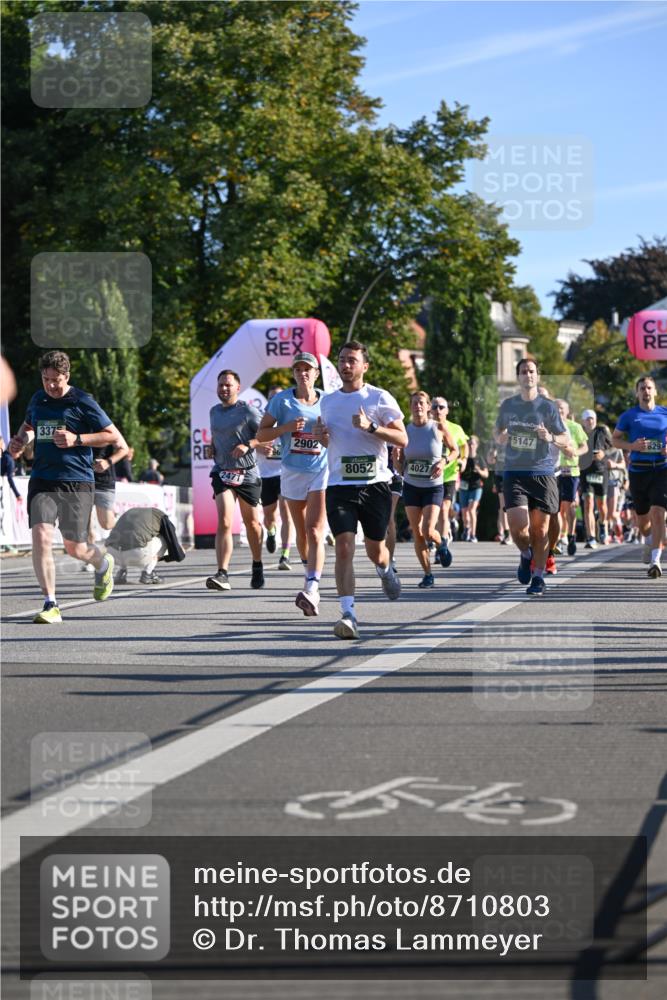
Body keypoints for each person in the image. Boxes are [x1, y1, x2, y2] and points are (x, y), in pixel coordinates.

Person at [8, 350, 118, 622]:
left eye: (56, 380)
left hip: (76, 480)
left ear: (66, 376)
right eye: (46, 379)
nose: (51, 385)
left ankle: (102, 563)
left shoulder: (82, 401)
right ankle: (50, 603)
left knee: (75, 547)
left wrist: (77, 439)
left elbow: (111, 436)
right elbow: (28, 425)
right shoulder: (38, 399)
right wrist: (20, 441)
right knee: (41, 536)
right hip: (43, 478)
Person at [314, 341, 407, 639]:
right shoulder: (327, 401)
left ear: (365, 366)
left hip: (374, 485)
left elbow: (402, 439)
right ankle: (348, 614)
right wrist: (321, 436)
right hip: (339, 484)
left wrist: (371, 427)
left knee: (375, 550)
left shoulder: (379, 397)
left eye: (352, 360)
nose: (345, 365)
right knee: (343, 546)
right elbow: (329, 442)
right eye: (342, 359)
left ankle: (386, 569)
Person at [258, 353, 329, 616]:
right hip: (291, 471)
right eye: (298, 369)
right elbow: (261, 433)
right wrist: (285, 428)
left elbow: (339, 433)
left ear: (316, 373)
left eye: (308, 369)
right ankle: (309, 570)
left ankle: (312, 587)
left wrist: (326, 435)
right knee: (301, 532)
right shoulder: (282, 400)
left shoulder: (328, 401)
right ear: (294, 374)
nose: (303, 373)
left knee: (314, 530)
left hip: (320, 470)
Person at [494, 358, 571, 596]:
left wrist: (550, 438)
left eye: (531, 371)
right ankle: (526, 554)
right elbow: (497, 432)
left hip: (542, 472)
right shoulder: (508, 405)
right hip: (515, 472)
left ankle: (538, 577)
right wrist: (501, 437)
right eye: (523, 371)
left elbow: (566, 438)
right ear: (518, 377)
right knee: (518, 528)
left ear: (537, 376)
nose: (527, 375)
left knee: (540, 530)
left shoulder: (548, 407)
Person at [206, 369, 265, 591]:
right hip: (222, 472)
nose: (224, 388)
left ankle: (257, 564)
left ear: (237, 388)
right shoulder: (214, 411)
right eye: (221, 384)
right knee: (224, 521)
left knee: (252, 524)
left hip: (247, 473)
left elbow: (266, 435)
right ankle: (222, 573)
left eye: (228, 385)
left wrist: (248, 445)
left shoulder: (248, 411)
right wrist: (212, 446)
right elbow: (218, 435)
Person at [393, 391, 456, 587]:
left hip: (433, 487)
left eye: (421, 403)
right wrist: (396, 460)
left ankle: (441, 543)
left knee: (428, 531)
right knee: (417, 532)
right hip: (411, 486)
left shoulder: (438, 427)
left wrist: (444, 461)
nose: (418, 406)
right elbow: (400, 466)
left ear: (428, 407)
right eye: (414, 403)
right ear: (410, 407)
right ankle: (428, 574)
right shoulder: (405, 430)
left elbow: (455, 450)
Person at [612, 375, 667, 579]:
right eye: (642, 388)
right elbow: (615, 440)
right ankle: (650, 541)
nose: (646, 391)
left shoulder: (665, 413)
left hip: (661, 469)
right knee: (643, 522)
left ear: (655, 391)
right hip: (638, 472)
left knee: (658, 513)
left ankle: (656, 560)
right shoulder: (629, 416)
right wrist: (632, 446)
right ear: (637, 393)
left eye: (649, 388)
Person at [255, 393, 295, 569]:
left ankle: (285, 555)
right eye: (272, 398)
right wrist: (259, 446)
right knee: (269, 516)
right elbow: (248, 441)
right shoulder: (260, 421)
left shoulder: (290, 421)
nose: (276, 401)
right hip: (266, 476)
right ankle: (271, 532)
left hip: (285, 474)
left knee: (286, 514)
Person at [430, 397, 468, 564]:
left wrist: (464, 459)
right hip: (430, 476)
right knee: (433, 513)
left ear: (447, 410)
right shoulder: (424, 427)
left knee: (444, 510)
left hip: (449, 475)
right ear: (430, 409)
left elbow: (464, 445)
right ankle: (437, 538)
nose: (438, 410)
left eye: (441, 407)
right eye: (434, 406)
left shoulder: (455, 428)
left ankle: (442, 545)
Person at [108, 506, 185, 584]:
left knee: (124, 540)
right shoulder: (160, 516)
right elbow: (171, 537)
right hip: (136, 555)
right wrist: (180, 552)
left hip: (112, 555)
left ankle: (121, 573)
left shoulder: (130, 512)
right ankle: (148, 573)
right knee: (164, 539)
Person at [551, 399, 588, 561]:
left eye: (561, 408)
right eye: (556, 408)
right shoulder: (549, 426)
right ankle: (560, 537)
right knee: (556, 508)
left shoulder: (575, 427)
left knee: (569, 506)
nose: (559, 411)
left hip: (570, 470)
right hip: (553, 471)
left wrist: (575, 453)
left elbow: (584, 446)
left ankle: (571, 535)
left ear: (567, 411)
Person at [579, 409, 612, 547]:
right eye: (587, 419)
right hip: (585, 472)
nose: (590, 421)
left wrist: (604, 454)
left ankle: (603, 524)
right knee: (588, 504)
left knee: (602, 505)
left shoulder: (602, 431)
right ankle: (591, 537)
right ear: (583, 421)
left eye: (592, 418)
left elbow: (613, 447)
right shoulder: (579, 432)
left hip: (600, 472)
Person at [458, 435, 488, 543]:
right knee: (464, 512)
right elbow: (457, 471)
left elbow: (486, 474)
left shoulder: (479, 458)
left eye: (473, 444)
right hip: (463, 488)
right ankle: (466, 529)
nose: (471, 446)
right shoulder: (463, 458)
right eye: (469, 444)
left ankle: (473, 535)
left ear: (477, 445)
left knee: (471, 510)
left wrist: (479, 470)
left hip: (476, 487)